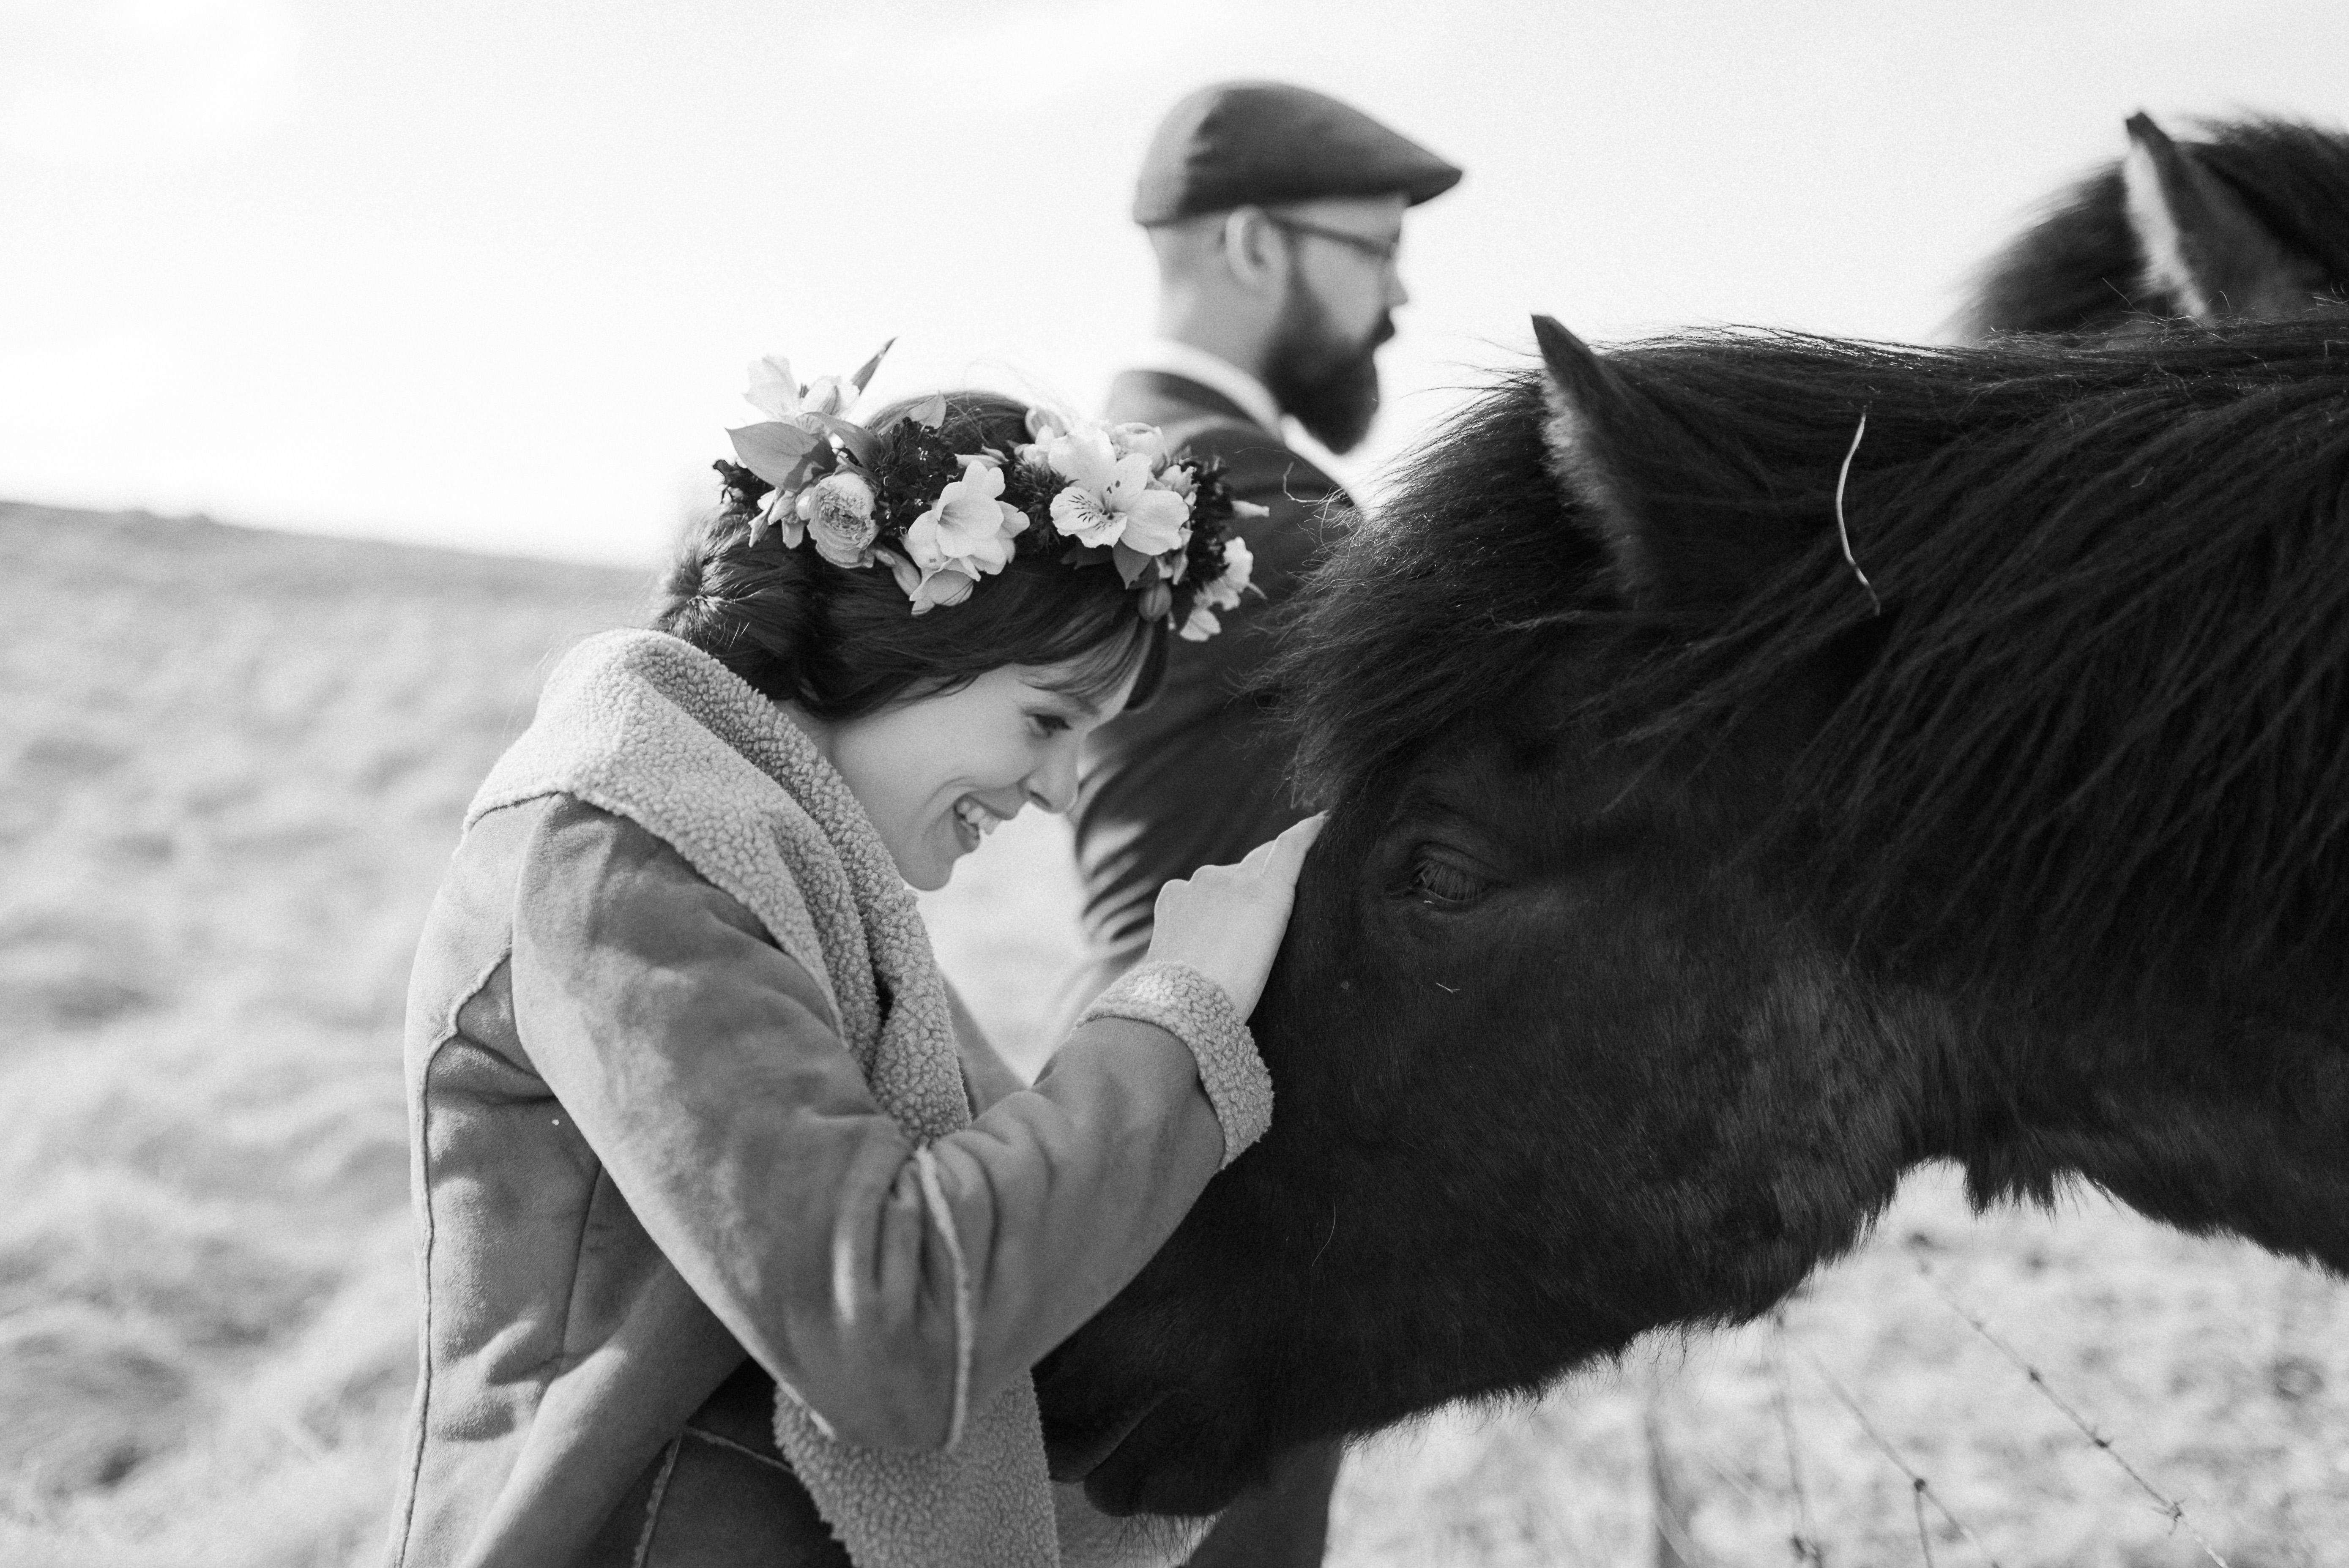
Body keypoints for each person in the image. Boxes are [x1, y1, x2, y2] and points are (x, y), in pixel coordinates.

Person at [386, 358, 1322, 1568]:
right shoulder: (621, 860)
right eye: (1048, 720)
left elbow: (1032, 1241)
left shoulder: (793, 872)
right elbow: (889, 1323)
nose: (1058, 790)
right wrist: (1171, 1016)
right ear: (903, 634)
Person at [1063, 82, 1460, 1567]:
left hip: (1170, 1105)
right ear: (1246, 243)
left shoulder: (1141, 472)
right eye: (1372, 245)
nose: (1403, 288)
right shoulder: (1223, 502)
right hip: (1205, 1163)